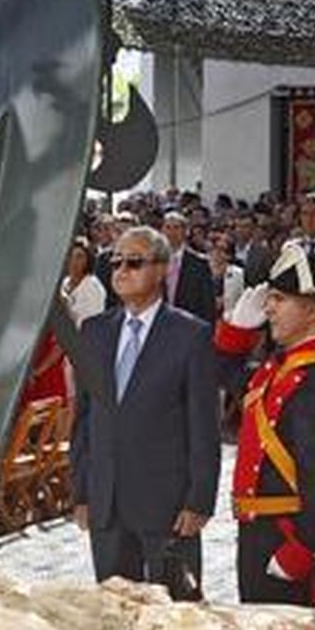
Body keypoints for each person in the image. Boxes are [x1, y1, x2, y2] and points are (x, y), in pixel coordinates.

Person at [69, 225, 219, 598]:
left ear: (162, 269)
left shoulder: (190, 335)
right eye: (115, 261)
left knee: (179, 616)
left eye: (133, 262)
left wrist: (199, 499)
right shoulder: (94, 331)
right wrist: (82, 492)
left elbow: (204, 425)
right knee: (115, 615)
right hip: (107, 501)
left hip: (168, 504)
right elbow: (86, 418)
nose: (121, 270)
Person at [213, 240, 315, 608]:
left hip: (289, 538)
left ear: (310, 310)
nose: (268, 308)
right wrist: (236, 333)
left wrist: (301, 552)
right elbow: (222, 376)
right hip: (260, 533)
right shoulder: (281, 366)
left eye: (279, 299)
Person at [161, 211, 218, 323]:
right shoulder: (153, 260)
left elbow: (208, 303)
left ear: (186, 232)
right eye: (168, 227)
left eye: (176, 227)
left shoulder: (200, 263)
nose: (172, 232)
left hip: (189, 324)